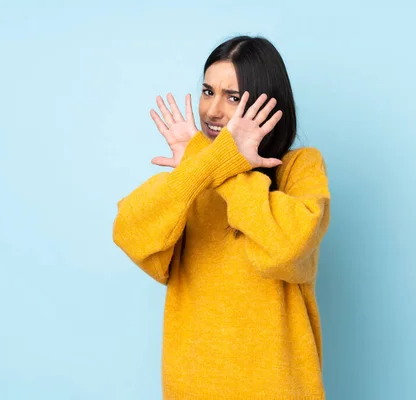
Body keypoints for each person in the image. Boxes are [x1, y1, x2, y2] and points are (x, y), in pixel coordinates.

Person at [113, 35, 331, 399]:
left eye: (232, 97)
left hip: (279, 388)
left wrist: (222, 167)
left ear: (267, 105)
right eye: (207, 91)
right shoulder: (188, 180)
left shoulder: (300, 167)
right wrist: (202, 168)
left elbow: (288, 248)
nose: (213, 111)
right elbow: (129, 235)